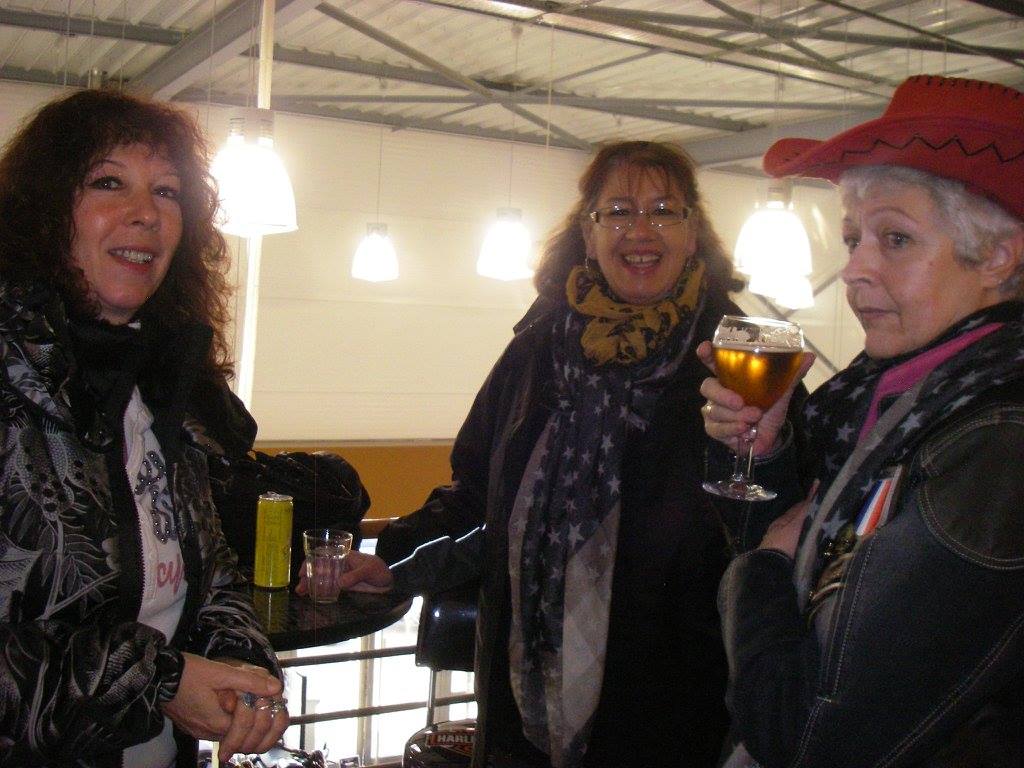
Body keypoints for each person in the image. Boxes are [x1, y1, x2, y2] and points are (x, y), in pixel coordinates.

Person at [334, 141, 744, 767]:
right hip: (523, 706)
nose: (641, 231)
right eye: (618, 211)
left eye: (664, 210)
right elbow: (478, 497)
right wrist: (394, 560)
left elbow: (777, 520)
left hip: (676, 708)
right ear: (588, 234)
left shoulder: (739, 358)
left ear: (693, 235)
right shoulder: (534, 352)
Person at [700, 74, 1024, 767]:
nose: (854, 271)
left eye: (896, 239)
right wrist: (768, 453)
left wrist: (760, 572)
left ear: (998, 258)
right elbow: (805, 554)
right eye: (853, 241)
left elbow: (808, 737)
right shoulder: (887, 394)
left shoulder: (998, 441)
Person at [0, 89, 288, 766]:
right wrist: (158, 680)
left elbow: (211, 573)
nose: (147, 213)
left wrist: (242, 665)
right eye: (108, 183)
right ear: (43, 212)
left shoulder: (162, 387)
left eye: (167, 192)